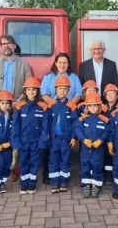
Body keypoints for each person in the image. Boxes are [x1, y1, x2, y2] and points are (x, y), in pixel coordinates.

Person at [0, 34, 32, 185]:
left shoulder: (24, 64)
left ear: (14, 45)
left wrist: (18, 103)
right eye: (3, 43)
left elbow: (28, 87)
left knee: (13, 137)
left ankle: (10, 168)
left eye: (9, 43)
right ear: (1, 46)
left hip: (15, 108)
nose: (6, 46)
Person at [40, 53, 82, 184]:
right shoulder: (49, 77)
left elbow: (79, 94)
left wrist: (70, 105)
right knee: (50, 147)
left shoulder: (74, 77)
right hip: (53, 111)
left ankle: (63, 178)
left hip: (69, 111)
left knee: (65, 149)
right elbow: (44, 94)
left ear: (68, 64)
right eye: (60, 62)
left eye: (65, 63)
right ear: (56, 63)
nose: (62, 65)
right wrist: (55, 104)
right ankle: (48, 174)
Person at [11, 77, 49, 194]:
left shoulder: (43, 106)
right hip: (23, 141)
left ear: (37, 91)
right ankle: (24, 183)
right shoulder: (19, 106)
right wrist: (16, 141)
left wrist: (43, 140)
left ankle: (32, 183)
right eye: (28, 90)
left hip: (36, 141)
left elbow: (45, 126)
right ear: (25, 91)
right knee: (22, 161)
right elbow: (15, 126)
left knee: (34, 162)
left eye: (34, 90)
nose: (31, 92)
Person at [47, 75, 78, 194]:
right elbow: (47, 121)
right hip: (54, 139)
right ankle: (55, 182)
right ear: (55, 89)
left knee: (65, 160)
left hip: (66, 139)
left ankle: (64, 182)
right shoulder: (51, 105)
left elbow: (75, 123)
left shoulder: (71, 105)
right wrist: (47, 134)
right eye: (60, 88)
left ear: (68, 90)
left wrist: (74, 137)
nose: (62, 91)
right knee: (54, 160)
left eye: (65, 89)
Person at [76, 93, 110, 198]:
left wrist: (101, 140)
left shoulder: (104, 119)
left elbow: (107, 131)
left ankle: (96, 185)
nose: (93, 108)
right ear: (87, 107)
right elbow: (78, 129)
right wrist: (83, 139)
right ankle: (86, 184)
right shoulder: (82, 119)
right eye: (90, 106)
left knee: (97, 165)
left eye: (95, 105)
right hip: (86, 148)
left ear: (99, 106)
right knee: (85, 165)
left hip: (98, 148)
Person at [102, 83, 118, 185]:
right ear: (105, 96)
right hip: (105, 136)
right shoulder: (102, 108)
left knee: (116, 155)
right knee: (106, 156)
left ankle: (116, 174)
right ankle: (108, 175)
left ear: (117, 95)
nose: (110, 96)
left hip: (116, 136)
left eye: (113, 94)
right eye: (108, 94)